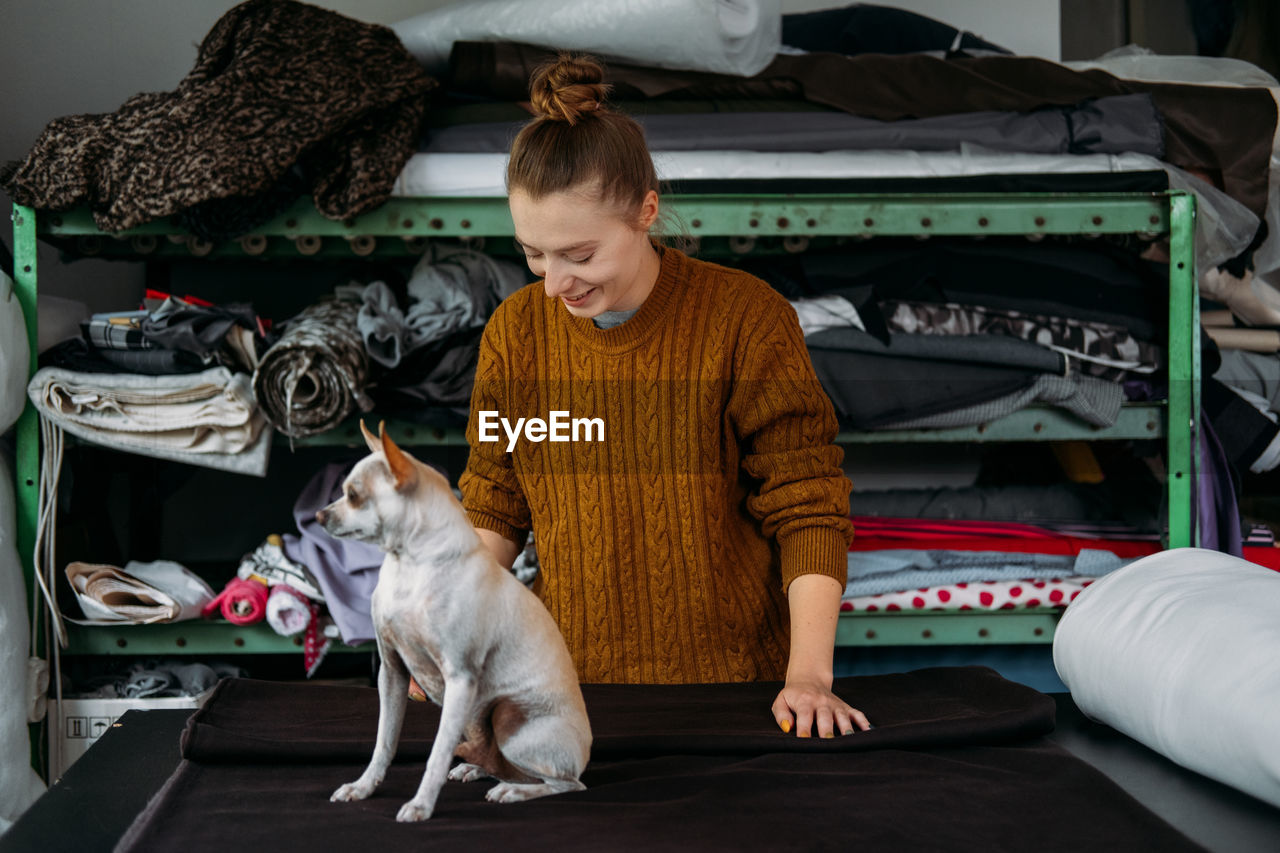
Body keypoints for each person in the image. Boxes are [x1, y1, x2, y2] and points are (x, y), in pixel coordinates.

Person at [453, 53, 867, 738]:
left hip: (737, 691)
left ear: (646, 210)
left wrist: (809, 678)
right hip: (569, 696)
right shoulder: (516, 333)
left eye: (579, 255)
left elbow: (808, 501)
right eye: (533, 253)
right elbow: (495, 502)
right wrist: (449, 640)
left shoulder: (745, 318)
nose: (555, 283)